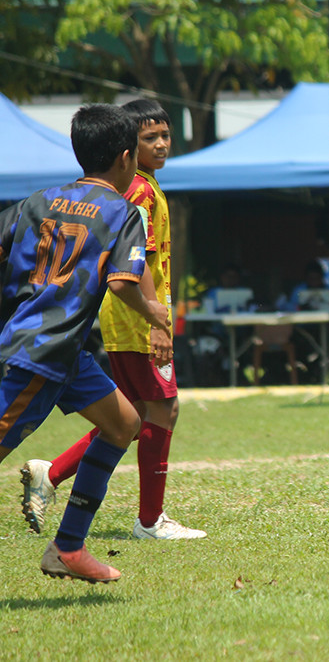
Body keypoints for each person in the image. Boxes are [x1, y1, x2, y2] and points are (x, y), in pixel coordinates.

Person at [20, 99, 205, 541]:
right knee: (163, 408)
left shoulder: (144, 186)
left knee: (135, 412)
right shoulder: (138, 192)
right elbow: (136, 261)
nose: (161, 144)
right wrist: (158, 324)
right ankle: (150, 520)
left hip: (128, 317)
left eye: (164, 135)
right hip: (138, 319)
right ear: (127, 147)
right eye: (149, 139)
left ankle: (54, 471)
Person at [0, 104, 171, 582]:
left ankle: (68, 549)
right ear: (125, 156)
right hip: (41, 353)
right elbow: (121, 283)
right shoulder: (122, 212)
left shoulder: (36, 200)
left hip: (62, 349)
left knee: (124, 424)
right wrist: (154, 313)